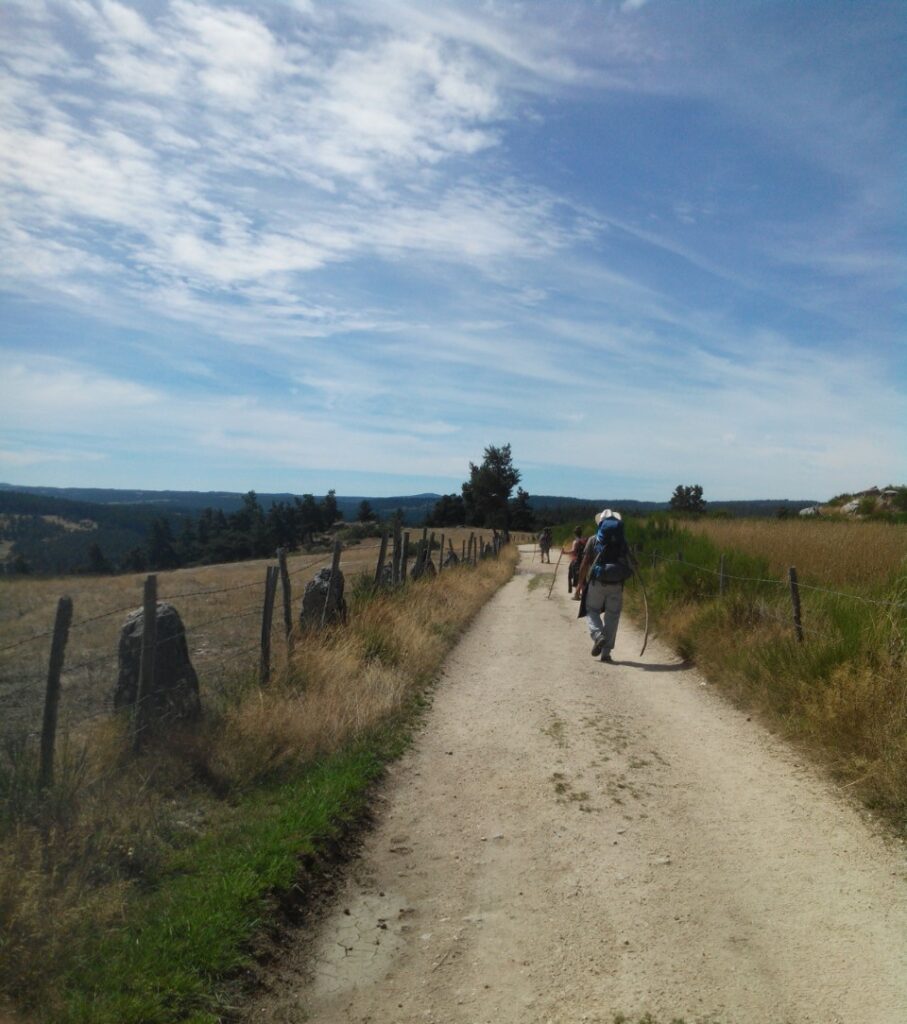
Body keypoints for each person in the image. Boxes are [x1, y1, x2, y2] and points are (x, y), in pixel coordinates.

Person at [575, 509, 631, 663]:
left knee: (591, 610)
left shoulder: (593, 540)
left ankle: (598, 635)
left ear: (600, 523)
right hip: (617, 583)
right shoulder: (622, 541)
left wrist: (580, 583)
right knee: (613, 616)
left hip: (597, 582)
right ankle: (606, 653)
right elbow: (630, 562)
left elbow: (585, 563)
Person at [564, 526, 586, 598]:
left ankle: (578, 595)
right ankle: (582, 594)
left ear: (575, 534)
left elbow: (573, 551)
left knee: (576, 578)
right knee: (582, 577)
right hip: (583, 561)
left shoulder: (575, 542)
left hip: (576, 562)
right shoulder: (584, 541)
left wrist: (565, 552)